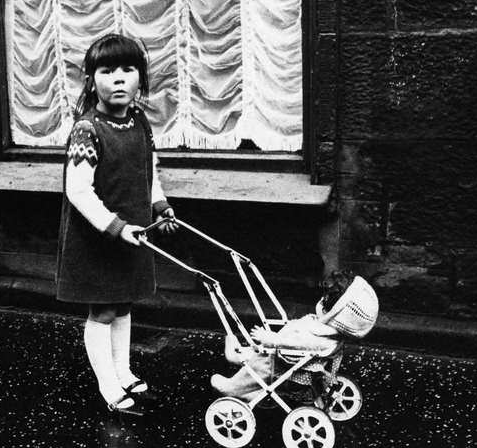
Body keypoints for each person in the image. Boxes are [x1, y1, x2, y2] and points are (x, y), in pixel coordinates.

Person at [55, 33, 178, 415]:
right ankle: (110, 388)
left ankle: (123, 372)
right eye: (107, 71)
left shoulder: (139, 121)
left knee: (124, 306)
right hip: (99, 236)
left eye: (128, 69)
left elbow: (148, 169)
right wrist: (115, 227)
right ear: (92, 81)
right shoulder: (87, 129)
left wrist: (159, 205)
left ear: (141, 77)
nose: (119, 79)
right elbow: (77, 190)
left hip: (133, 231)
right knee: (103, 311)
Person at [210, 272, 378, 402]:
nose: (321, 300)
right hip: (288, 359)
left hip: (281, 365)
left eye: (325, 299)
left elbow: (293, 344)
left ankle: (232, 387)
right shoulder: (328, 331)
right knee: (260, 355)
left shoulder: (320, 338)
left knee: (260, 364)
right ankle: (240, 356)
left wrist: (271, 339)